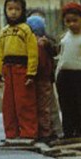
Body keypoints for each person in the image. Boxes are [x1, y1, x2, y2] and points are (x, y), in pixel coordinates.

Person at [0, 0, 38, 141]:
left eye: (17, 9)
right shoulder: (4, 31)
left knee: (24, 102)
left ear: (23, 11)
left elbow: (33, 53)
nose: (13, 12)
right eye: (10, 9)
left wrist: (31, 73)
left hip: (22, 69)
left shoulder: (26, 30)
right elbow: (0, 53)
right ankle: (11, 133)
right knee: (9, 104)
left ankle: (28, 132)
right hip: (8, 70)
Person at [25, 15, 59, 144]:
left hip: (41, 78)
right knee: (47, 107)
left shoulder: (42, 43)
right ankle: (49, 131)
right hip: (43, 78)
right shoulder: (42, 42)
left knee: (44, 107)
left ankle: (46, 132)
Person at [55, 2, 81, 140]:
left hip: (79, 74)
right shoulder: (65, 36)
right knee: (66, 105)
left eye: (75, 20)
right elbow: (61, 55)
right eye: (68, 21)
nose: (72, 24)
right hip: (65, 75)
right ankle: (68, 132)